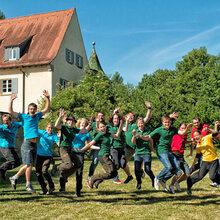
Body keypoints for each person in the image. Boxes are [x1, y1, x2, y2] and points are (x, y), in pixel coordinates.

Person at [9, 91, 50, 193]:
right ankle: (28, 185)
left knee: (29, 164)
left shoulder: (37, 116)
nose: (32, 110)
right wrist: (11, 100)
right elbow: (11, 112)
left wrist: (48, 98)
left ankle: (14, 177)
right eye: (31, 109)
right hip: (27, 144)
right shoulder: (24, 116)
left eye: (34, 109)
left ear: (36, 110)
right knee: (29, 165)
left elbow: (46, 109)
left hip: (34, 144)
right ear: (28, 110)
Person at [149, 115, 192, 191]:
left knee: (178, 171)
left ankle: (164, 180)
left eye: (168, 122)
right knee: (169, 167)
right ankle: (158, 178)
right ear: (162, 123)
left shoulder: (173, 130)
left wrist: (188, 129)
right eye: (165, 122)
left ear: (170, 122)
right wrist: (141, 137)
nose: (167, 124)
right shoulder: (161, 130)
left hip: (171, 152)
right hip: (162, 151)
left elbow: (182, 134)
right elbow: (149, 136)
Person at [75, 120, 123, 189]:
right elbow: (90, 144)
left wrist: (120, 126)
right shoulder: (99, 135)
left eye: (103, 126)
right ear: (99, 129)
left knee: (113, 173)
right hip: (103, 155)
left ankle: (97, 181)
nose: (103, 128)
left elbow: (117, 135)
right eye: (101, 127)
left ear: (105, 127)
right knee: (112, 172)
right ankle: (93, 178)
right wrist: (81, 149)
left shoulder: (107, 133)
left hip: (106, 155)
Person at [52, 109, 86, 192]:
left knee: (79, 163)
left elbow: (83, 131)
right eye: (69, 121)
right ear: (67, 122)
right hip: (63, 148)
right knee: (69, 164)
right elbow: (56, 125)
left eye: (72, 121)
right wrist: (60, 116)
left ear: (74, 123)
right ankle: (56, 167)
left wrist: (90, 125)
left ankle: (65, 175)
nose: (71, 122)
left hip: (69, 149)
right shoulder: (64, 127)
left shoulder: (74, 129)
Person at [123, 101, 151, 184]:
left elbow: (147, 118)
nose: (132, 117)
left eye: (133, 116)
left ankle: (141, 170)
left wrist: (149, 108)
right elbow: (126, 129)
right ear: (126, 117)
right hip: (128, 147)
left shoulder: (137, 124)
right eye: (130, 116)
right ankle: (129, 176)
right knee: (123, 162)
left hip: (137, 147)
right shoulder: (124, 125)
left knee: (138, 163)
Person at [187, 129, 220, 195]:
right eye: (194, 136)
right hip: (205, 162)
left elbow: (216, 134)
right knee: (199, 176)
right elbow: (198, 155)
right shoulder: (198, 145)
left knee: (212, 177)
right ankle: (189, 184)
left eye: (197, 135)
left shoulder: (207, 138)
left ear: (200, 135)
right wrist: (193, 164)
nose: (196, 137)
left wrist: (209, 129)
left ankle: (217, 182)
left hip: (213, 161)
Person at [131, 117, 156, 190]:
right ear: (137, 124)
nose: (140, 125)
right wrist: (134, 135)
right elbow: (133, 142)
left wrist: (152, 148)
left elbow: (148, 138)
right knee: (137, 169)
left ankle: (153, 179)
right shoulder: (136, 131)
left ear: (143, 124)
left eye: (142, 123)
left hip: (146, 152)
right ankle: (139, 182)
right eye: (139, 123)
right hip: (138, 153)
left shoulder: (147, 131)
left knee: (147, 169)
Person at [35, 123, 59, 195]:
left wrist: (60, 140)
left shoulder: (54, 136)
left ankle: (51, 186)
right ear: (46, 128)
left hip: (47, 157)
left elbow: (58, 143)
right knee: (38, 173)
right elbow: (34, 129)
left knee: (44, 171)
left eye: (51, 128)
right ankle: (44, 188)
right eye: (49, 127)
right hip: (39, 156)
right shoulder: (42, 133)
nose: (50, 129)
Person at [168, 123, 192, 193]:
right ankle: (171, 185)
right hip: (175, 156)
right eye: (182, 128)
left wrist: (191, 141)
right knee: (178, 174)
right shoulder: (176, 134)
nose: (183, 130)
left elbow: (184, 141)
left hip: (181, 157)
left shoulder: (185, 136)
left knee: (188, 174)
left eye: (185, 128)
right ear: (179, 129)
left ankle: (177, 183)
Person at [72, 118, 91, 197]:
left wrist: (82, 149)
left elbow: (89, 144)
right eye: (82, 123)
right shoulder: (75, 130)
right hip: (72, 152)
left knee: (79, 172)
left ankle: (78, 190)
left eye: (84, 123)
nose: (83, 124)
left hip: (80, 154)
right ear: (79, 123)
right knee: (69, 167)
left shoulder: (87, 134)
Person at [108, 113, 128, 184]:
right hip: (113, 148)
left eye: (117, 118)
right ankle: (115, 178)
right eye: (114, 119)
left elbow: (126, 129)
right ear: (112, 120)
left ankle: (112, 173)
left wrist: (127, 121)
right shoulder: (110, 127)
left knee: (123, 164)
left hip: (121, 147)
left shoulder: (122, 126)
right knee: (116, 164)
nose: (116, 120)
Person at [0, 114, 22, 180]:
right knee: (12, 160)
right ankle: (1, 168)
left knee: (18, 163)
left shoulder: (15, 125)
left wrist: (22, 116)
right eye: (4, 121)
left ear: (10, 120)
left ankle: (3, 169)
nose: (5, 122)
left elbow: (23, 123)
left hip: (11, 146)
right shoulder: (1, 128)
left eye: (7, 120)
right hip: (4, 147)